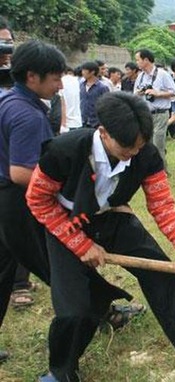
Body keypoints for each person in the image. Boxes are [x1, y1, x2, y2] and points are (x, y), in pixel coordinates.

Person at [26, 92, 175, 382]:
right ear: (103, 133)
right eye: (126, 146)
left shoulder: (146, 154)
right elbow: (38, 200)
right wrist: (82, 245)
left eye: (139, 145)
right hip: (66, 224)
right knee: (74, 308)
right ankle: (60, 371)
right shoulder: (63, 150)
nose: (133, 151)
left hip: (113, 219)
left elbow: (164, 209)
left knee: (163, 275)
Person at [0, 39, 62, 365]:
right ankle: (103, 310)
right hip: (17, 203)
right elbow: (22, 173)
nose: (60, 84)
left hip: (4, 200)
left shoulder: (9, 102)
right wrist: (62, 187)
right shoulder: (28, 115)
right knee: (57, 266)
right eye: (54, 78)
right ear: (32, 77)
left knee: (2, 272)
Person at [133, 48, 175, 169]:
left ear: (146, 60)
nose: (136, 62)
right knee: (147, 144)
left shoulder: (163, 74)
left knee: (158, 144)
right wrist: (140, 92)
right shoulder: (140, 76)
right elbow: (135, 93)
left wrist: (157, 93)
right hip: (146, 114)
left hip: (160, 113)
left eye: (138, 60)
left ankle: (162, 171)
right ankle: (151, 170)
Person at [79, 61, 109, 129]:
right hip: (83, 121)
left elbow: (106, 106)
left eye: (84, 70)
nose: (82, 72)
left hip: (96, 123)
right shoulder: (81, 85)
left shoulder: (102, 87)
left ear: (92, 72)